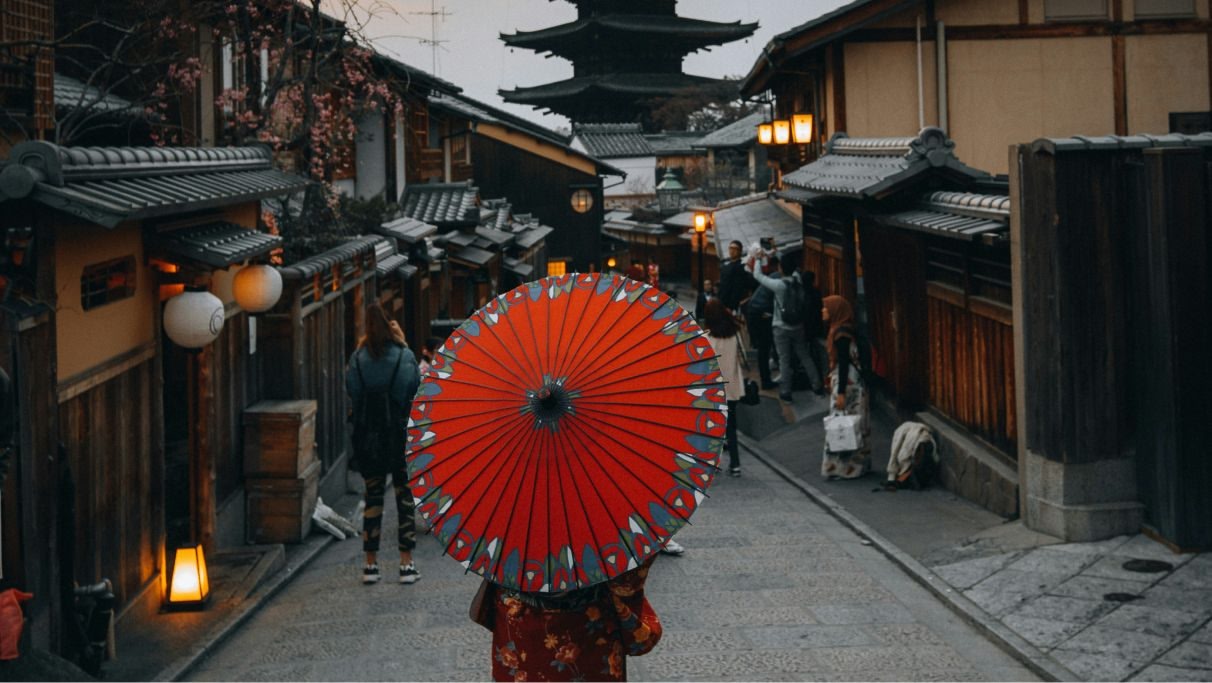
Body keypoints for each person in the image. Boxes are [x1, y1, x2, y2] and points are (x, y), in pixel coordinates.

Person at [473, 556, 663, 681]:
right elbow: (626, 584)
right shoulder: (605, 505)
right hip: (586, 628)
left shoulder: (504, 503)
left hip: (520, 621)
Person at [345, 304, 422, 584]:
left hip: (369, 437)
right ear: (392, 326)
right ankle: (406, 564)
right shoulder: (404, 356)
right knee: (405, 499)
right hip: (400, 435)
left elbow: (352, 390)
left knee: (373, 499)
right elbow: (415, 387)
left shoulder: (358, 358)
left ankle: (370, 565)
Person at [746, 250, 823, 403]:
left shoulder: (779, 285)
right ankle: (817, 385)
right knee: (804, 356)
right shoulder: (798, 280)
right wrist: (776, 252)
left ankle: (786, 392)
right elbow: (791, 266)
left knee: (784, 359)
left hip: (780, 327)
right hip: (798, 326)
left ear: (781, 268)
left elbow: (758, 276)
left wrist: (759, 258)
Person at [820, 295, 871, 479]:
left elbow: (842, 363)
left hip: (847, 385)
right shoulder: (846, 330)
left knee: (840, 424)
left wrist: (840, 392)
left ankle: (840, 467)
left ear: (835, 310)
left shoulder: (841, 334)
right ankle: (857, 465)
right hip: (855, 383)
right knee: (855, 424)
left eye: (826, 308)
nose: (823, 311)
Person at [703, 298, 744, 477]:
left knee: (713, 428)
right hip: (732, 386)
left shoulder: (706, 339)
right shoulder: (735, 335)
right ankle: (735, 465)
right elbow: (741, 358)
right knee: (731, 428)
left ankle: (714, 463)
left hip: (713, 389)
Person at [801, 270, 827, 390]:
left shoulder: (802, 293)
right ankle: (818, 380)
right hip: (816, 326)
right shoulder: (816, 293)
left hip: (804, 327)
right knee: (815, 354)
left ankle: (812, 380)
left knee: (806, 354)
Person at [717, 240, 753, 315]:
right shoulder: (726, 265)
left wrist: (731, 306)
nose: (732, 251)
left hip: (731, 305)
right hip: (721, 301)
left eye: (735, 249)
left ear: (740, 251)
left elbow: (737, 287)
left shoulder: (741, 266)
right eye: (730, 248)